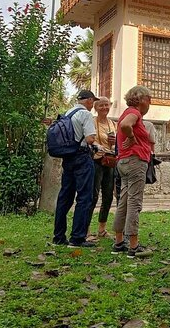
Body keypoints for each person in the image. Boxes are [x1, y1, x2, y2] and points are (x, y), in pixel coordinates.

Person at [111, 86, 154, 258]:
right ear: (142, 99)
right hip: (135, 160)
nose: (150, 102)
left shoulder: (130, 113)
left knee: (124, 200)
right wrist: (132, 138)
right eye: (149, 98)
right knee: (134, 202)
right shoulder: (134, 113)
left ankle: (119, 241)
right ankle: (133, 246)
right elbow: (125, 125)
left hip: (123, 161)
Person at [53, 90, 98, 248]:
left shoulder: (68, 112)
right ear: (89, 100)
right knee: (84, 197)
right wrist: (96, 144)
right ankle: (77, 238)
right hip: (82, 157)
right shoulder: (85, 114)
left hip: (68, 157)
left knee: (65, 196)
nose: (93, 105)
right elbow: (90, 138)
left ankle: (58, 237)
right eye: (93, 102)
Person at [88, 97, 117, 240]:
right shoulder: (92, 122)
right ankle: (86, 229)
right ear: (96, 107)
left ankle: (102, 228)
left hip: (110, 161)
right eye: (101, 105)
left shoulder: (113, 124)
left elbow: (118, 143)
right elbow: (89, 138)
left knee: (108, 196)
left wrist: (115, 141)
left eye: (107, 105)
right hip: (96, 160)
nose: (104, 107)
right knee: (92, 195)